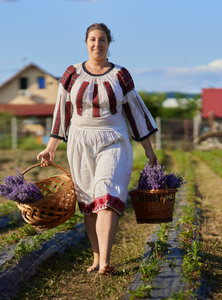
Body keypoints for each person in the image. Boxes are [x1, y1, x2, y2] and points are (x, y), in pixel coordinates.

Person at [37, 23, 158, 275]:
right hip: (80, 140)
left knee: (107, 194)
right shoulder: (72, 74)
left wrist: (149, 149)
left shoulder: (120, 75)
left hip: (113, 139)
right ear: (86, 42)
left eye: (102, 40)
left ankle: (105, 260)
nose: (97, 44)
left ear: (108, 44)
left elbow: (134, 111)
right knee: (89, 202)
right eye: (92, 39)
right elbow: (62, 111)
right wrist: (51, 147)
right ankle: (95, 257)